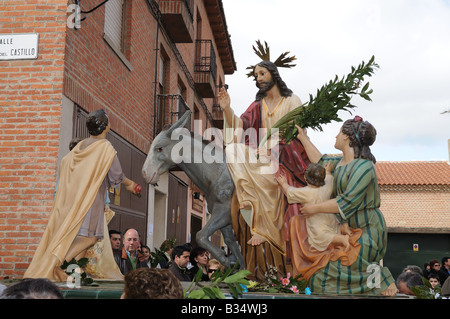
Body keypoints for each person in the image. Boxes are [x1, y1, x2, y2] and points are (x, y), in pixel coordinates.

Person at [219, 60, 310, 279]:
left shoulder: (291, 101)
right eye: (256, 75)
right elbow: (239, 129)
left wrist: (274, 148)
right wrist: (227, 108)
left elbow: (298, 133)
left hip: (284, 157)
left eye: (262, 73)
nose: (258, 78)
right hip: (260, 155)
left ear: (273, 74)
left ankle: (265, 230)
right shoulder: (257, 105)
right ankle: (248, 200)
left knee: (269, 173)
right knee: (232, 151)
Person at [24, 109, 140, 281]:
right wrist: (130, 185)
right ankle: (60, 263)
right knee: (90, 236)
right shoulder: (104, 148)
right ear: (106, 126)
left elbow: (66, 165)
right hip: (90, 199)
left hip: (72, 200)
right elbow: (117, 175)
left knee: (79, 237)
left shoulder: (80, 146)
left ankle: (73, 270)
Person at [292, 116, 397, 296]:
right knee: (319, 280)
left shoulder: (364, 167)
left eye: (339, 132)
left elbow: (347, 202)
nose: (336, 136)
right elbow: (320, 161)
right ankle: (371, 282)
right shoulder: (340, 164)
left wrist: (313, 209)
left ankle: (381, 280)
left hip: (367, 230)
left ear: (347, 137)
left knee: (332, 271)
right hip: (343, 229)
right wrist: (303, 138)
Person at [277, 163, 360, 252]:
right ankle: (342, 228)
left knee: (320, 236)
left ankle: (342, 239)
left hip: (317, 221)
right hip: (329, 217)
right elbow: (329, 178)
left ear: (305, 178)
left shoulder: (305, 192)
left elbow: (290, 192)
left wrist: (284, 183)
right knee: (332, 227)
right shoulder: (326, 186)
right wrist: (327, 171)